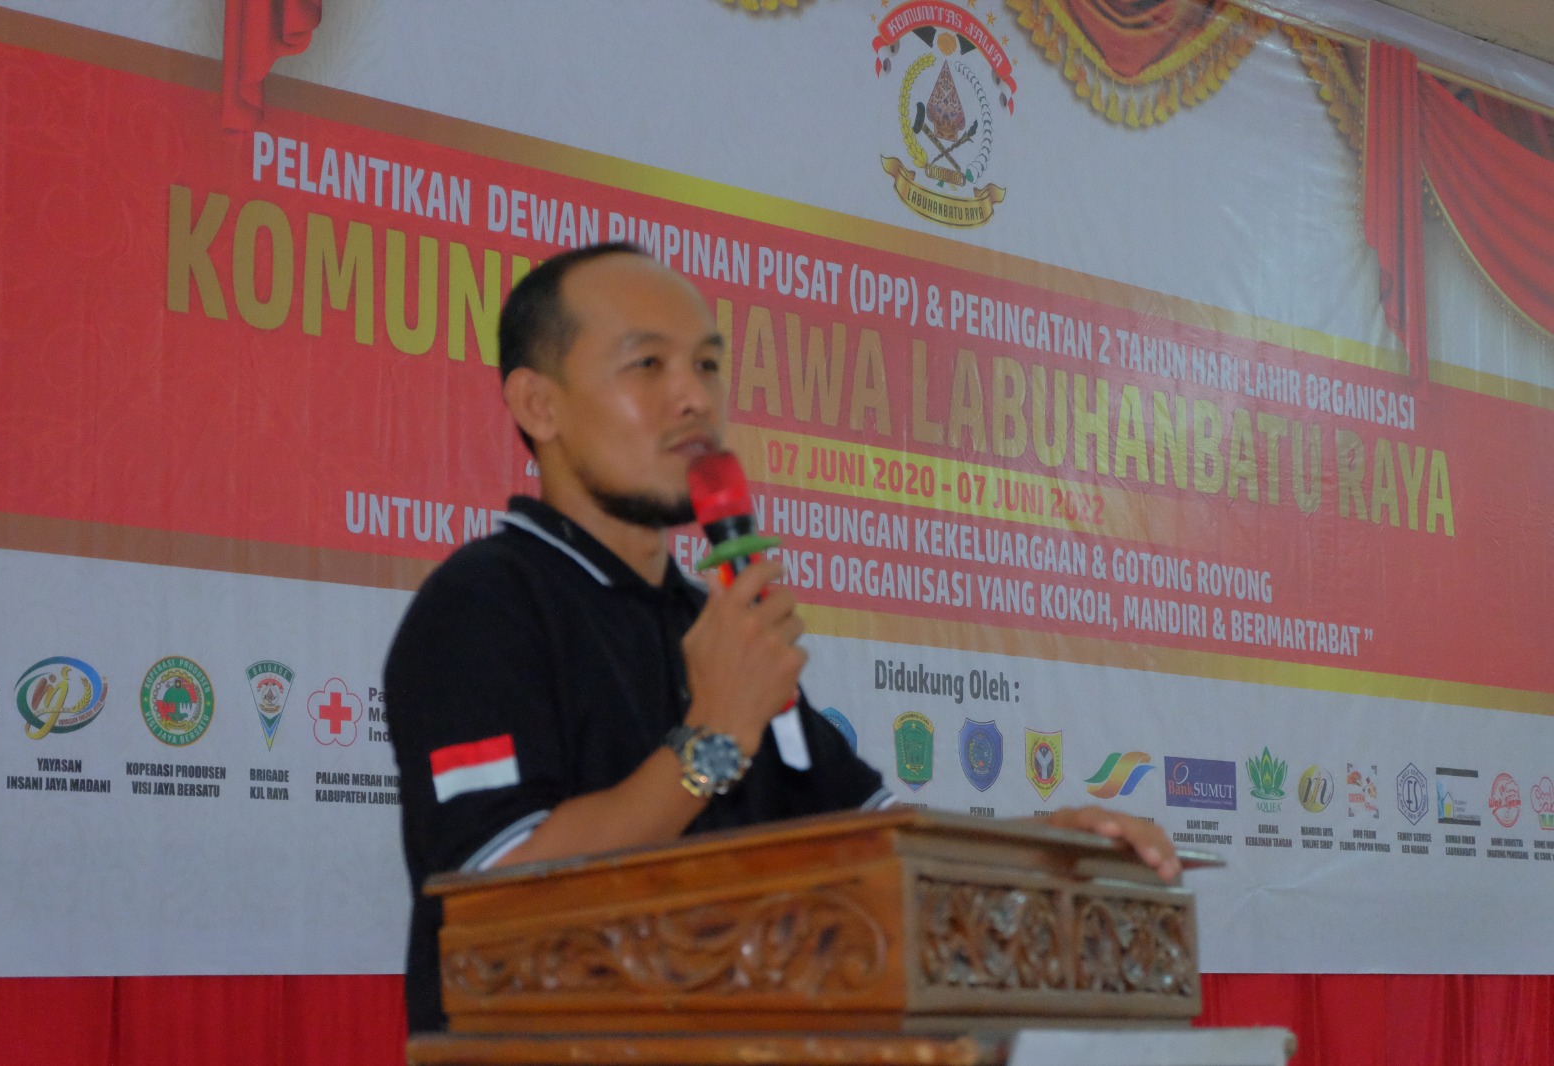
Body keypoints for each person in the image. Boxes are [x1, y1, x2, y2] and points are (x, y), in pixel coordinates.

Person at [384, 243, 1180, 1033]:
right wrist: (714, 738)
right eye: (648, 365)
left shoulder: (715, 622)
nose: (693, 398)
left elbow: (869, 839)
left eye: (706, 365)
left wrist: (1036, 846)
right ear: (538, 405)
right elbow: (496, 884)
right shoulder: (481, 605)